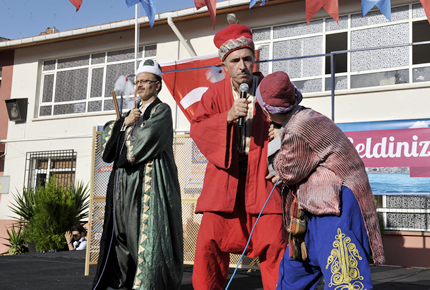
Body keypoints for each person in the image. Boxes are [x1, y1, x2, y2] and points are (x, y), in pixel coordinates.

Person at [257, 71, 385, 290]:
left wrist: (278, 142)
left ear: (265, 110)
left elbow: (287, 171)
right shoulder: (304, 117)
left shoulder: (297, 127)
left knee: (344, 277)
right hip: (311, 207)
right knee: (295, 272)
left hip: (335, 205)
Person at [190, 24, 287, 290]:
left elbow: (294, 120)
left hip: (264, 178)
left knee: (275, 243)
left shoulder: (270, 88)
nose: (242, 65)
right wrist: (228, 117)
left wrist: (280, 137)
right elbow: (198, 129)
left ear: (254, 59)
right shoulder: (214, 94)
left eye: (247, 58)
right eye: (235, 60)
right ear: (225, 64)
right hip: (225, 178)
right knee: (209, 244)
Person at [92, 59, 183, 290]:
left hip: (147, 189)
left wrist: (125, 128)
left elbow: (141, 143)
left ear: (157, 85)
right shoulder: (131, 113)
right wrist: (124, 122)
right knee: (120, 242)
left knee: (144, 242)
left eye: (145, 81)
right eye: (138, 81)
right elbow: (108, 152)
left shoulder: (162, 111)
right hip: (123, 188)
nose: (139, 85)